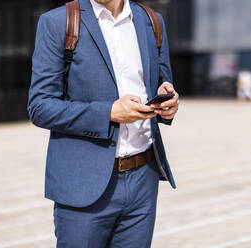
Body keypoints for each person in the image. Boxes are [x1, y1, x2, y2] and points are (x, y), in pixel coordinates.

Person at [27, 0, 179, 247]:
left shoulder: (152, 21)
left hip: (143, 177)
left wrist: (167, 104)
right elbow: (40, 107)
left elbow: (162, 84)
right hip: (83, 184)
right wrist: (109, 112)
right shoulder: (58, 22)